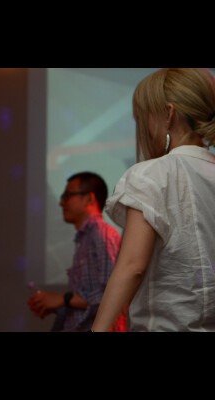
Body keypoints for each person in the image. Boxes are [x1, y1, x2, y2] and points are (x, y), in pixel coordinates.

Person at [92, 68, 215, 332]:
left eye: (146, 115)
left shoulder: (151, 175)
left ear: (169, 114)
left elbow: (132, 266)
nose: (145, 127)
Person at [28, 172, 126, 332]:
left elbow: (112, 295)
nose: (61, 203)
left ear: (89, 199)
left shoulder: (102, 233)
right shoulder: (85, 237)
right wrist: (58, 305)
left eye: (68, 195)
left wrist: (64, 299)